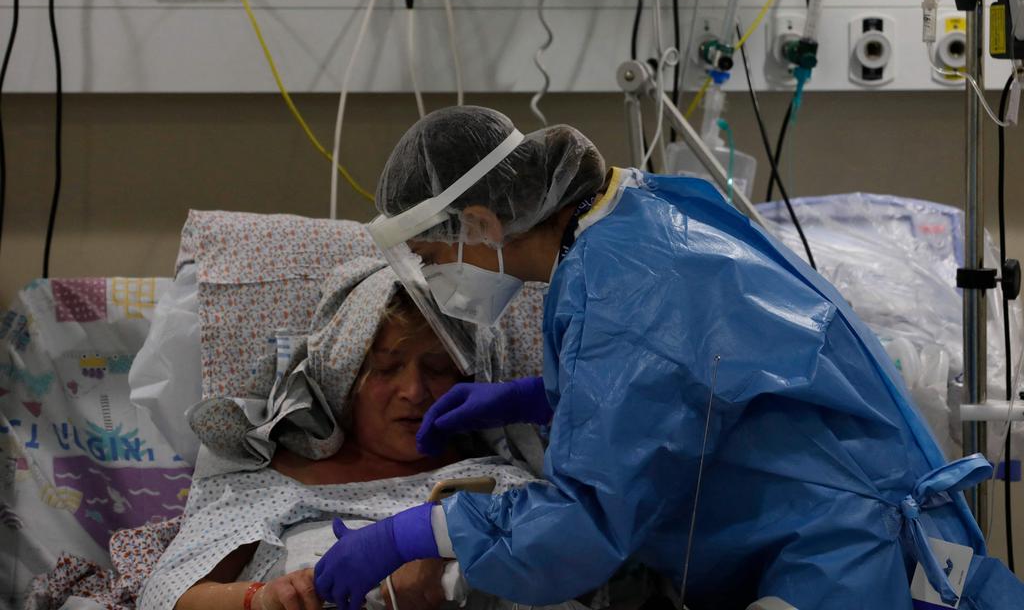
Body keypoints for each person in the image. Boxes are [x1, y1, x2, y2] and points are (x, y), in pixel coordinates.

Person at [313, 106, 1024, 610]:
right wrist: (536, 396)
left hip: (844, 557)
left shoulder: (627, 286)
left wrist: (413, 533)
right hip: (838, 524)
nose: (437, 282)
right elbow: (687, 379)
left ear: (481, 223)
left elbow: (587, 521)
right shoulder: (631, 214)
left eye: (432, 258)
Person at [139, 267, 539, 610]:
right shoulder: (269, 475)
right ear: (345, 380)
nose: (414, 391)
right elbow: (167, 596)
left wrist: (447, 560)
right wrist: (264, 599)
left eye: (437, 368)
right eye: (386, 368)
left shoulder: (497, 484)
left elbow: (568, 566)